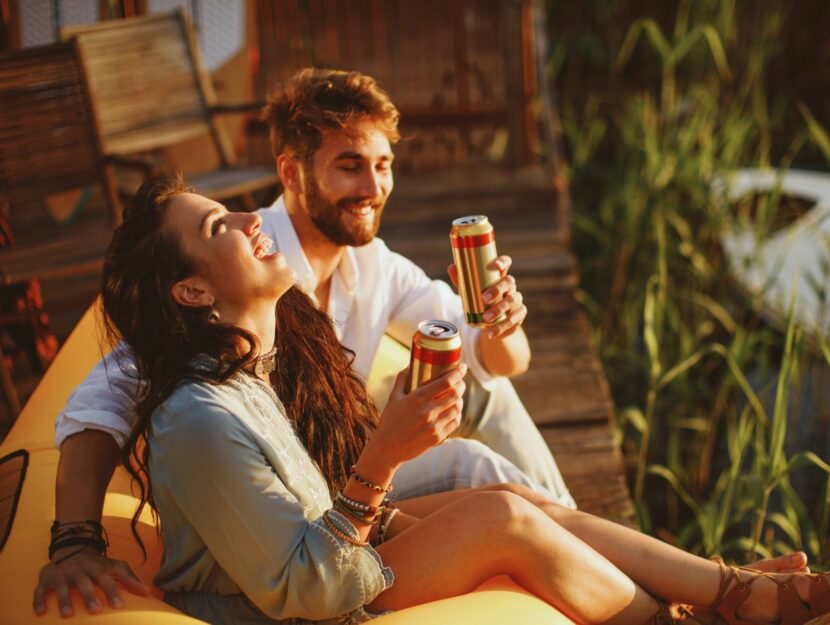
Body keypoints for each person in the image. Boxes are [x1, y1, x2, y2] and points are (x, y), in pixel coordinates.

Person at [33, 69, 806, 617]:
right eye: (348, 167)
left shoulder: (366, 274)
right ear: (292, 174)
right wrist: (73, 539)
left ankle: (709, 583)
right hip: (314, 536)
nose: (372, 187)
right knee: (495, 509)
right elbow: (100, 400)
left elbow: (498, 361)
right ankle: (702, 598)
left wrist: (502, 323)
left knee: (495, 450)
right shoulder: (236, 307)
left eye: (383, 165)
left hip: (324, 498)